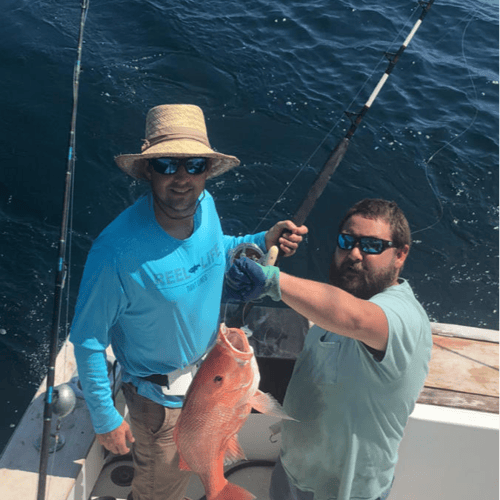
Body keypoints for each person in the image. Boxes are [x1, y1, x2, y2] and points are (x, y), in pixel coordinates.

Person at [69, 104, 308, 500]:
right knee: (161, 491)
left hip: (211, 376)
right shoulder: (115, 252)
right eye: (166, 164)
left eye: (194, 165)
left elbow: (219, 248)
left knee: (202, 465)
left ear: (207, 171)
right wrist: (104, 416)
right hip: (157, 403)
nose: (182, 179)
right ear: (147, 170)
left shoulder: (207, 206)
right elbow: (89, 340)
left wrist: (262, 239)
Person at [225, 198, 433, 500]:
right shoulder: (337, 306)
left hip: (346, 491)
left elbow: (356, 318)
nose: (355, 253)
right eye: (346, 241)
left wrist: (272, 281)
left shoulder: (404, 316)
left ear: (400, 254)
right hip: (292, 472)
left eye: (372, 245)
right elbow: (337, 310)